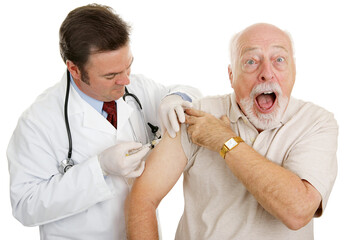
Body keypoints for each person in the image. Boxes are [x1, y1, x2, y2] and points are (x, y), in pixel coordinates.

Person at [125, 23, 338, 239]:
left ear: (294, 70)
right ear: (231, 75)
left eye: (279, 60)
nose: (266, 73)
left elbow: (298, 212)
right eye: (251, 62)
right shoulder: (199, 113)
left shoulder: (316, 123)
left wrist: (226, 141)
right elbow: (143, 197)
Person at [6, 4, 201, 240]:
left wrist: (175, 98)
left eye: (128, 66)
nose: (125, 80)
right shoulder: (38, 122)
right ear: (74, 69)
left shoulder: (136, 89)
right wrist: (99, 168)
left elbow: (189, 91)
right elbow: (25, 206)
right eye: (111, 76)